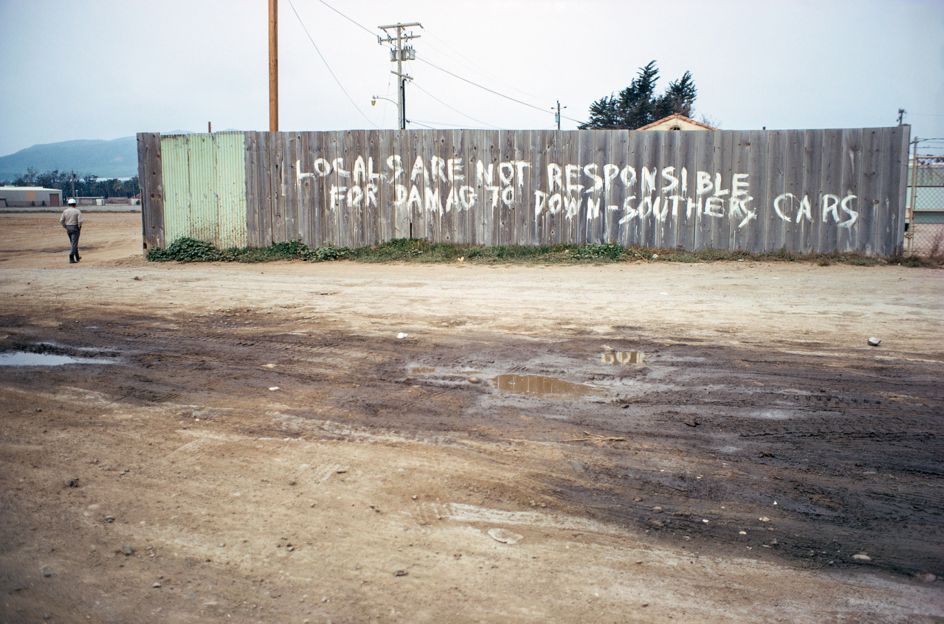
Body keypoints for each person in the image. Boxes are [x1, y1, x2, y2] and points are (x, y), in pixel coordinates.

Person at [59, 198, 84, 264]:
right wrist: (79, 226)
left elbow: (61, 220)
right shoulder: (77, 211)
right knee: (74, 243)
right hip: (75, 228)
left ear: (69, 204)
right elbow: (80, 221)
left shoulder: (65, 211)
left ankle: (77, 256)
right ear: (75, 204)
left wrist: (65, 226)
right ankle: (71, 257)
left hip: (68, 228)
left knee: (73, 243)